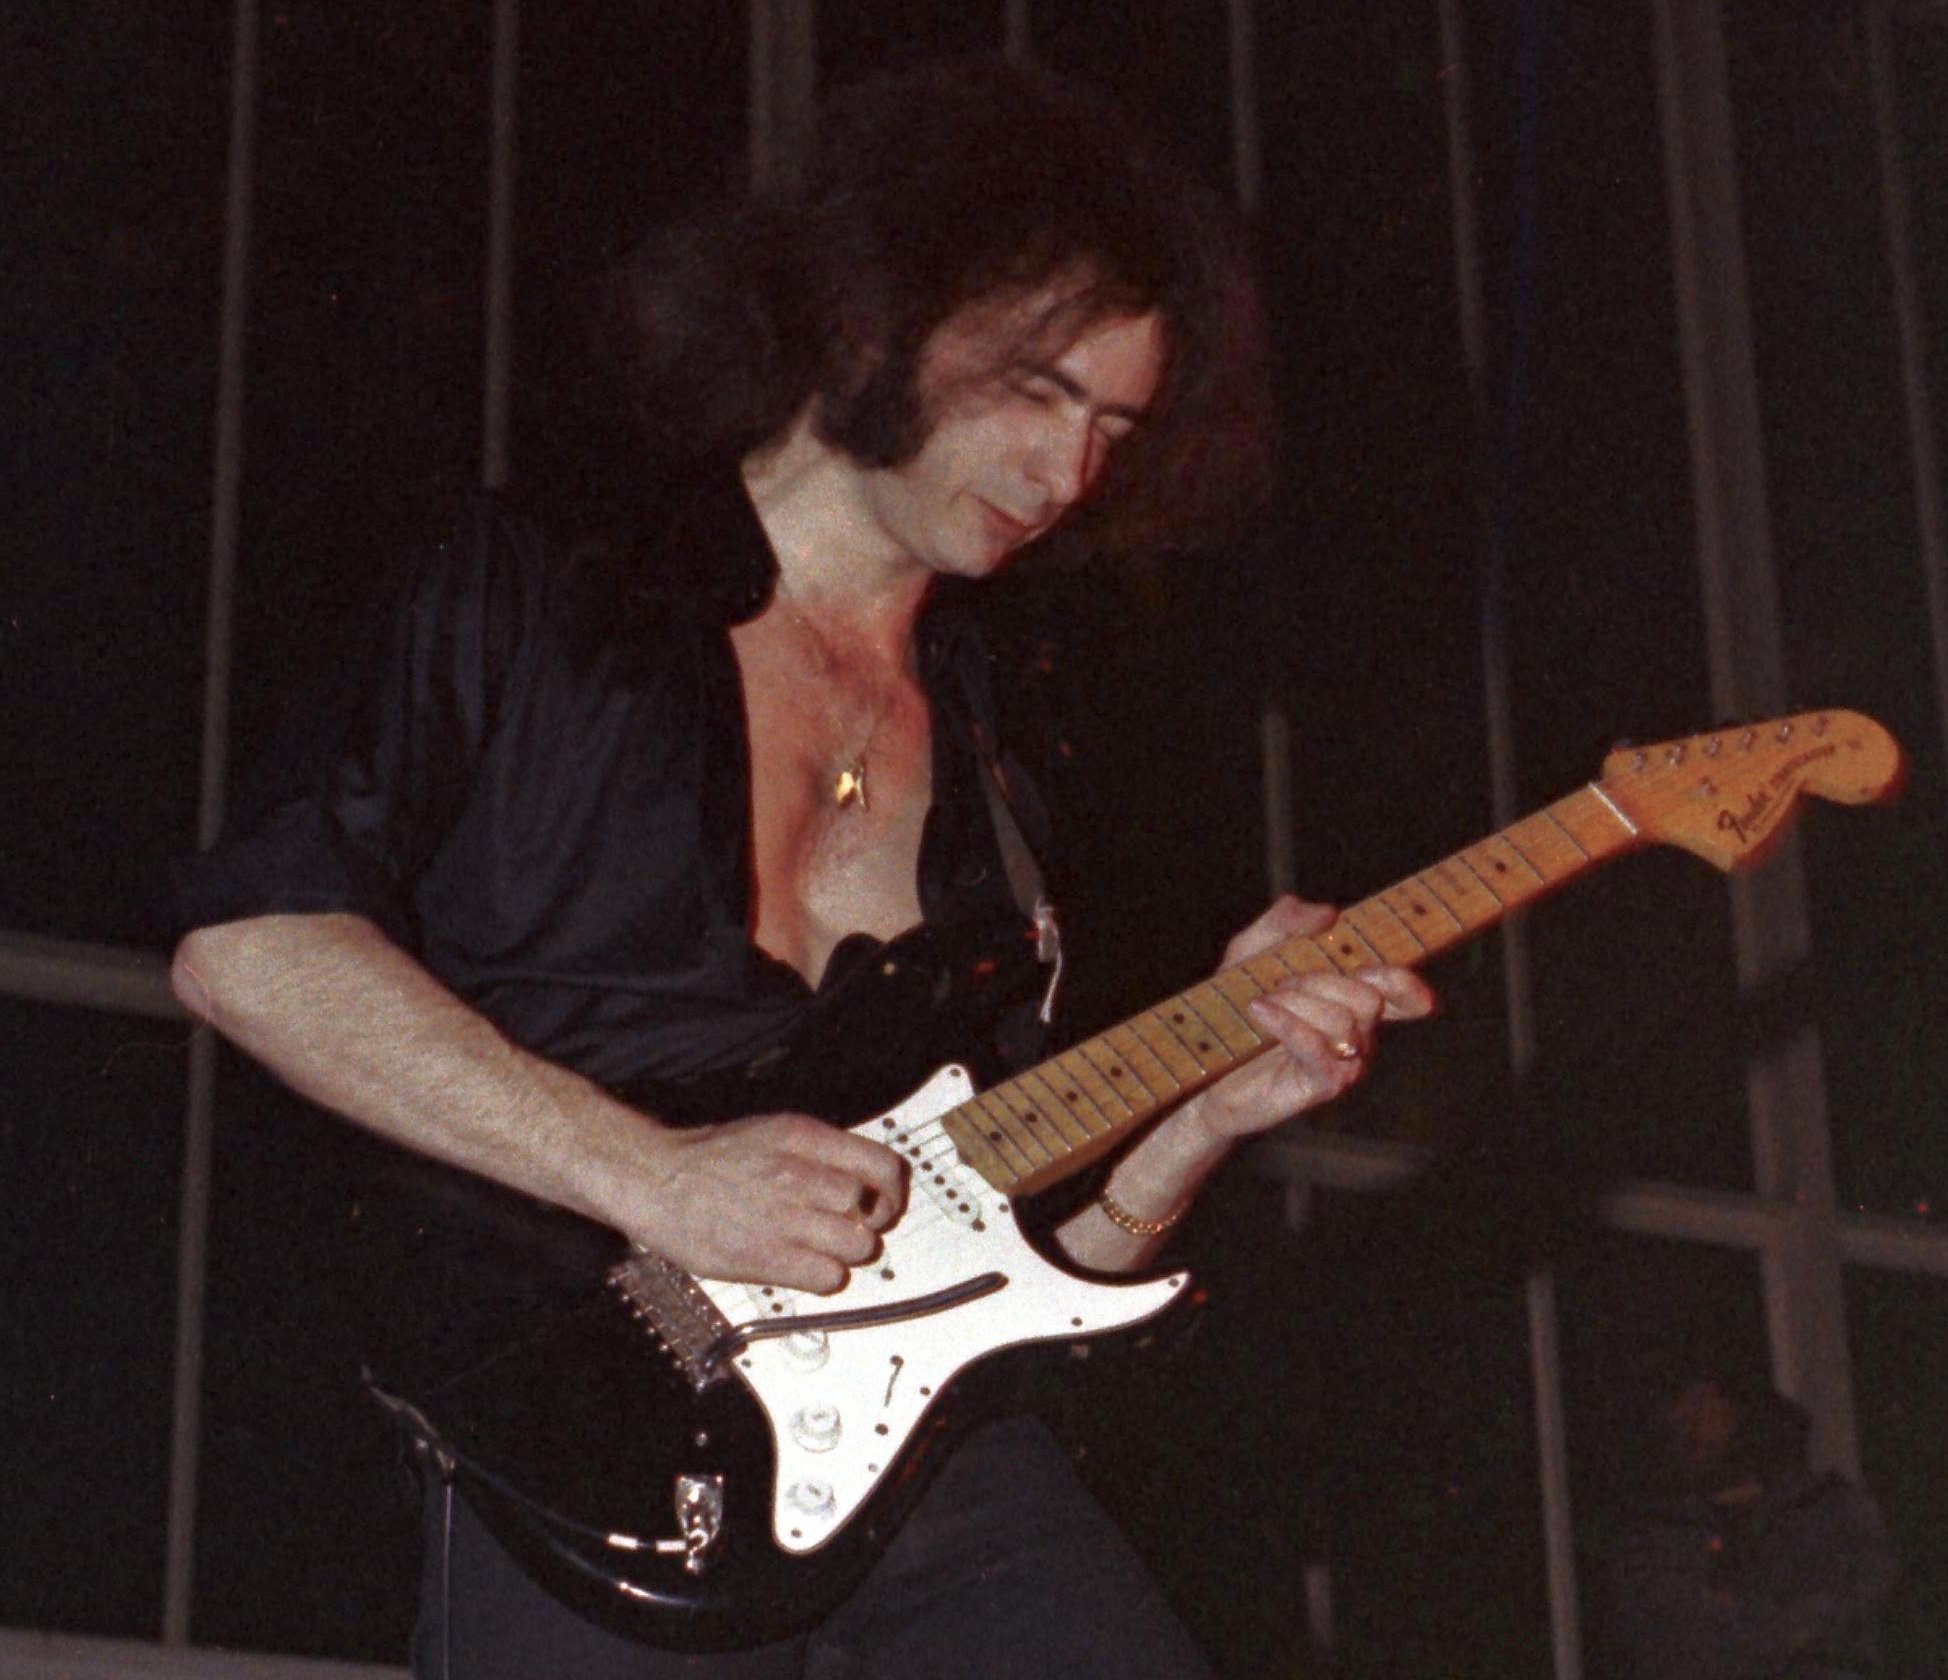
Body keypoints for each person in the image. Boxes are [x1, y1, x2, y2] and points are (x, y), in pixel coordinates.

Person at [172, 57, 1433, 1679]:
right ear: (870, 323)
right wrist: (654, 1175)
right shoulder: (539, 587)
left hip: (936, 1475)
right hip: (586, 1430)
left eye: (1112, 429)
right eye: (1036, 392)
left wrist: (1199, 1118)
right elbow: (252, 945)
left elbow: (1025, 1274)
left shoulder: (1009, 747)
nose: (1068, 475)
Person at [1601, 1370, 1898, 1679]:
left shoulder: (1827, 1508)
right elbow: (1678, 1639)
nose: (1691, 1429)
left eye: (1703, 1406)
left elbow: (1858, 1604)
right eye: (1680, 1420)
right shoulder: (1654, 1536)